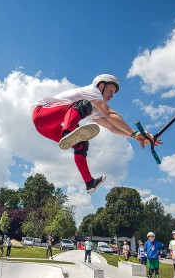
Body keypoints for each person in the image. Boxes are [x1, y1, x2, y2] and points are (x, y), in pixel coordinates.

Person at [31, 74, 161, 193]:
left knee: (81, 144)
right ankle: (67, 132)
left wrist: (138, 137)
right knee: (83, 104)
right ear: (101, 86)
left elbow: (112, 127)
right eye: (111, 91)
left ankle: (89, 183)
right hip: (41, 113)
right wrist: (134, 133)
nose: (112, 96)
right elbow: (110, 114)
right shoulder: (92, 92)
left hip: (45, 129)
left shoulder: (95, 110)